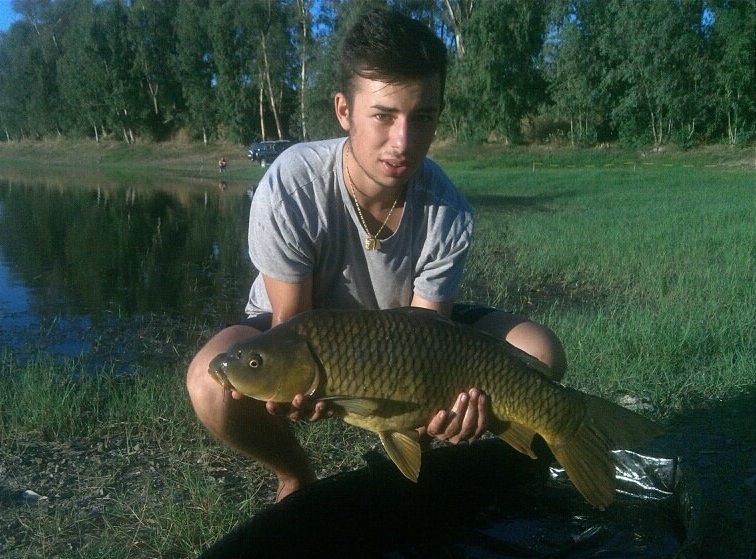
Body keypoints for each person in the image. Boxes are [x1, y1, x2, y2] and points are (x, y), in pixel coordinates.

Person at [186, 7, 566, 502]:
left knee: (541, 353)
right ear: (344, 110)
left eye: (422, 117)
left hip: (406, 335)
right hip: (306, 330)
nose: (403, 142)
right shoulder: (293, 185)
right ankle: (295, 475)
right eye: (384, 116)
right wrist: (309, 390)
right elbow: (292, 325)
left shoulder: (448, 209)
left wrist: (443, 414)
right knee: (209, 382)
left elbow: (430, 338)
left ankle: (420, 471)